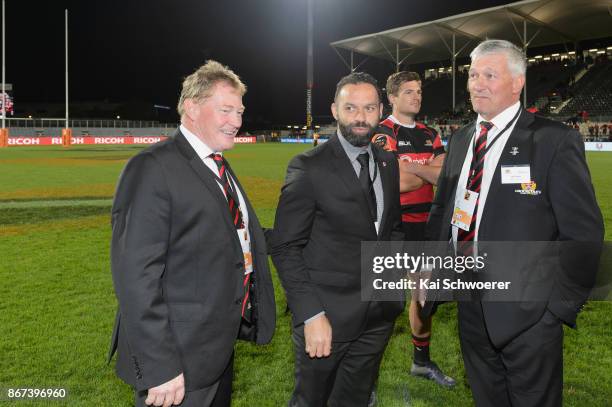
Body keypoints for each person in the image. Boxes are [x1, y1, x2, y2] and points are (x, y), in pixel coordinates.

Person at [424, 39, 603, 407]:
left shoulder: (553, 140)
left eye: (490, 74)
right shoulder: (460, 140)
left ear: (517, 82)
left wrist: (556, 308)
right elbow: (444, 211)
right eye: (473, 75)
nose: (477, 84)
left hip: (530, 313)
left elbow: (583, 234)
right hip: (469, 303)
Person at [107, 60, 276, 407]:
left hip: (216, 347)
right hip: (176, 360)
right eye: (226, 109)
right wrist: (160, 367)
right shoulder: (152, 167)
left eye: (240, 111)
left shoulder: (216, 163)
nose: (237, 121)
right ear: (191, 107)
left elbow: (232, 239)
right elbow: (135, 276)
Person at [271, 72, 405, 407]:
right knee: (311, 401)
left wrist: (398, 278)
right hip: (327, 317)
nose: (360, 117)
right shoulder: (308, 167)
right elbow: (285, 246)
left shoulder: (387, 162)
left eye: (369, 108)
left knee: (355, 400)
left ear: (380, 110)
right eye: (351, 108)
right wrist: (311, 314)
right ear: (334, 110)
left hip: (378, 315)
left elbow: (393, 228)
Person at [372, 71, 454, 387]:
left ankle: (421, 362)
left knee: (424, 297)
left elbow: (446, 174)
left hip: (427, 227)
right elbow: (394, 181)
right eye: (408, 91)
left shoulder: (430, 133)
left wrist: (410, 167)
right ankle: (365, 377)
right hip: (393, 228)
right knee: (380, 303)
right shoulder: (383, 132)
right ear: (392, 98)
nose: (416, 96)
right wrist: (426, 170)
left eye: (418, 91)